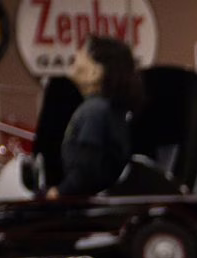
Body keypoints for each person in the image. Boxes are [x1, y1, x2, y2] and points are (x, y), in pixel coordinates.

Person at [49, 37, 142, 198]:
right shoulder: (107, 109)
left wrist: (58, 193)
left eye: (84, 51)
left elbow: (86, 169)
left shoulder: (94, 111)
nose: (76, 54)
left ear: (96, 72)